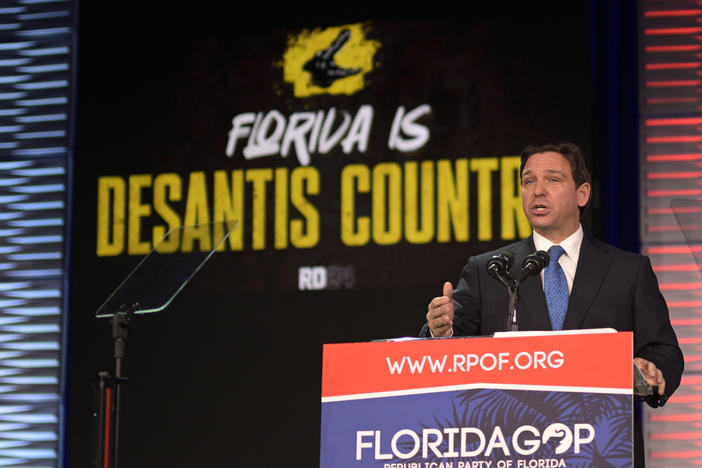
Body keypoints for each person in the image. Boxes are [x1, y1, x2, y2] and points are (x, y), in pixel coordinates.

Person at [422, 142, 683, 467]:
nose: (537, 191)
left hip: (602, 450)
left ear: (582, 193)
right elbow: (439, 360)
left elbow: (664, 351)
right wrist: (440, 332)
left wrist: (652, 370)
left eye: (553, 180)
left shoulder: (628, 271)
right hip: (512, 448)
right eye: (528, 181)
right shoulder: (488, 270)